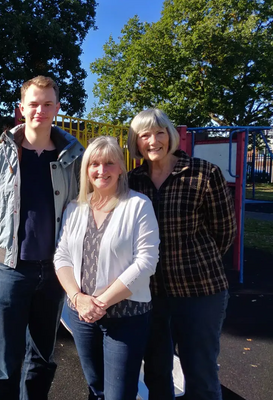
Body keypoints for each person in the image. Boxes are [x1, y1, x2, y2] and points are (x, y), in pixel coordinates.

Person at [0, 75, 84, 400]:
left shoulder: (72, 158)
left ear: (56, 108)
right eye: (34, 103)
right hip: (13, 269)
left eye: (47, 104)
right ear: (21, 108)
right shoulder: (0, 156)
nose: (40, 110)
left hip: (55, 271)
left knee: (42, 359)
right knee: (5, 365)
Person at [127, 109, 237, 400]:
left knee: (200, 371)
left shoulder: (203, 173)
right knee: (156, 371)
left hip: (199, 290)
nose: (153, 141)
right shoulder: (131, 181)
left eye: (159, 132)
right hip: (150, 293)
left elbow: (224, 231)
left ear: (171, 135)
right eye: (144, 135)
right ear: (135, 142)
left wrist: (195, 260)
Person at [54, 136, 160, 400]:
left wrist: (99, 303)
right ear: (86, 169)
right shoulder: (75, 208)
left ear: (121, 168)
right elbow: (62, 255)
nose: (102, 170)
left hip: (126, 316)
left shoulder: (137, 205)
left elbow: (146, 262)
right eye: (95, 164)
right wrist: (78, 298)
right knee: (96, 387)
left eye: (109, 163)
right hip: (82, 316)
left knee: (119, 394)